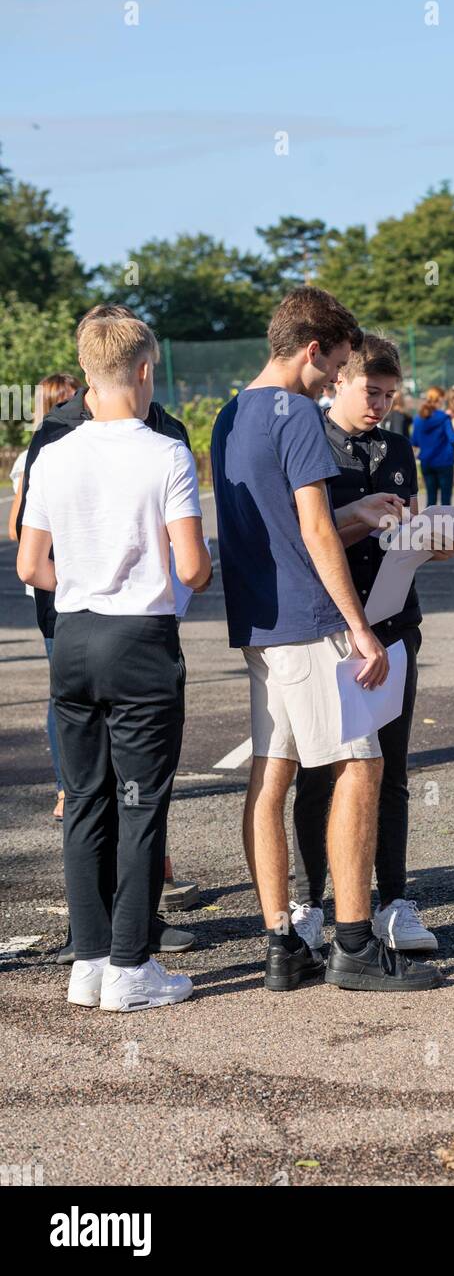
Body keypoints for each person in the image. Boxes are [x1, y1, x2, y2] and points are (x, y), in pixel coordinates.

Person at [210, 287, 442, 993]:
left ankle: (282, 940)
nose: (335, 378)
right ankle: (353, 945)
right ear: (314, 352)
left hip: (257, 623)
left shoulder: (227, 415)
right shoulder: (299, 415)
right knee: (360, 767)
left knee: (271, 775)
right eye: (336, 364)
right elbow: (315, 529)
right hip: (311, 622)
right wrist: (361, 628)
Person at [17, 315, 212, 1011]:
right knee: (141, 804)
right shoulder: (164, 452)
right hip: (140, 641)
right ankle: (132, 964)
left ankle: (90, 960)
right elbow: (190, 565)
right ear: (145, 371)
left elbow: (28, 563)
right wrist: (188, 572)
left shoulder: (53, 453)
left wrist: (86, 577)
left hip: (72, 636)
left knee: (87, 801)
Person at [291, 333, 437, 952]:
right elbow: (306, 544)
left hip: (396, 624)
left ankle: (395, 902)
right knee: (323, 770)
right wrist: (359, 520)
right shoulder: (309, 442)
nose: (380, 403)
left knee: (393, 770)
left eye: (389, 394)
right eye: (370, 391)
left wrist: (430, 536)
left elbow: (403, 522)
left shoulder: (399, 446)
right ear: (338, 383)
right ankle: (310, 902)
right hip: (331, 629)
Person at [9, 372, 82, 823]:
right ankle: (64, 789)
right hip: (54, 584)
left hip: (59, 581)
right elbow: (17, 527)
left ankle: (77, 790)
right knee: (65, 693)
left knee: (70, 692)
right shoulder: (39, 452)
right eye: (63, 402)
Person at [411, 387, 454, 504]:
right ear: (439, 399)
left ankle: (430, 522)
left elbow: (414, 441)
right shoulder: (444, 417)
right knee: (445, 499)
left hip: (426, 462)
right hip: (444, 462)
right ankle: (445, 523)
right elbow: (453, 438)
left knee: (431, 498)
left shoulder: (418, 418)